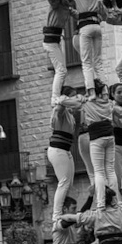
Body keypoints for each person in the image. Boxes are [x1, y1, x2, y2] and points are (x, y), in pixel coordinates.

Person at [55, 79, 122, 210]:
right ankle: (116, 201)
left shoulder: (86, 102)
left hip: (95, 137)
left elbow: (62, 100)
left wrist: (79, 97)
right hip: (110, 137)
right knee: (110, 171)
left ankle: (101, 203)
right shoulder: (108, 103)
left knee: (97, 172)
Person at [50, 0, 107, 101]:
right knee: (98, 62)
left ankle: (91, 92)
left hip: (85, 27)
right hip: (97, 27)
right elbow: (105, 15)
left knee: (86, 62)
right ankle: (105, 92)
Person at [48, 86, 78, 221]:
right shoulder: (61, 111)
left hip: (65, 150)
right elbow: (60, 107)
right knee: (64, 182)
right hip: (57, 150)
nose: (75, 99)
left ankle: (64, 210)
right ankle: (56, 215)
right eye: (73, 96)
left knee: (69, 184)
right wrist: (62, 99)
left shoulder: (70, 114)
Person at [43, 0, 77, 107]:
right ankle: (54, 98)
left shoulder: (67, 8)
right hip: (50, 41)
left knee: (62, 71)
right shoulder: (57, 3)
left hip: (54, 41)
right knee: (61, 70)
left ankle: (57, 96)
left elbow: (78, 15)